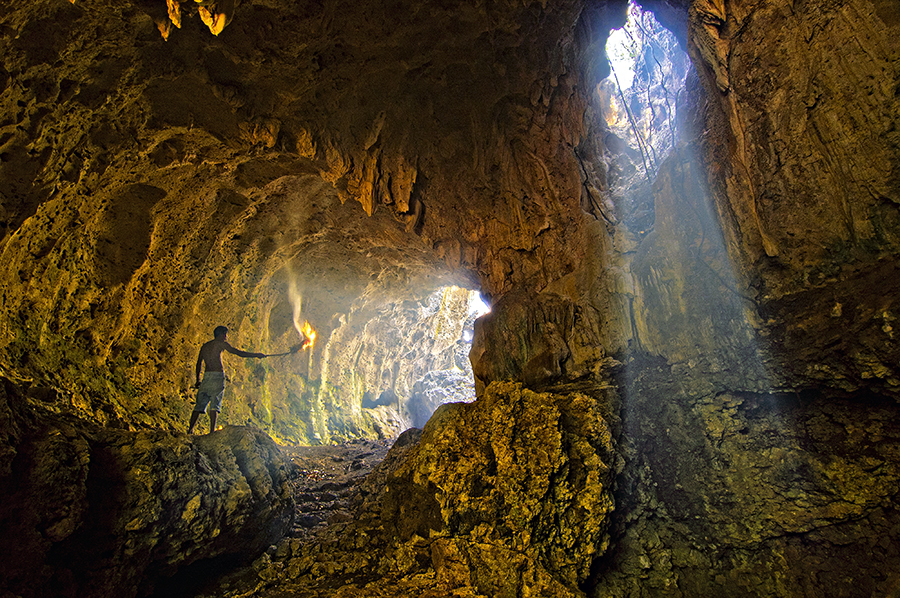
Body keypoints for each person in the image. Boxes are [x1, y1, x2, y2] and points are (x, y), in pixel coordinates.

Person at [188, 325, 267, 435]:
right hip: (217, 376)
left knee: (199, 404)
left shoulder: (205, 346)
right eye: (225, 334)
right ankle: (212, 432)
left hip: (206, 377)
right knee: (215, 403)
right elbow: (238, 353)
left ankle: (190, 429)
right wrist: (256, 355)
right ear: (220, 335)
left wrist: (198, 379)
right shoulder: (221, 344)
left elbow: (198, 363)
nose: (226, 337)